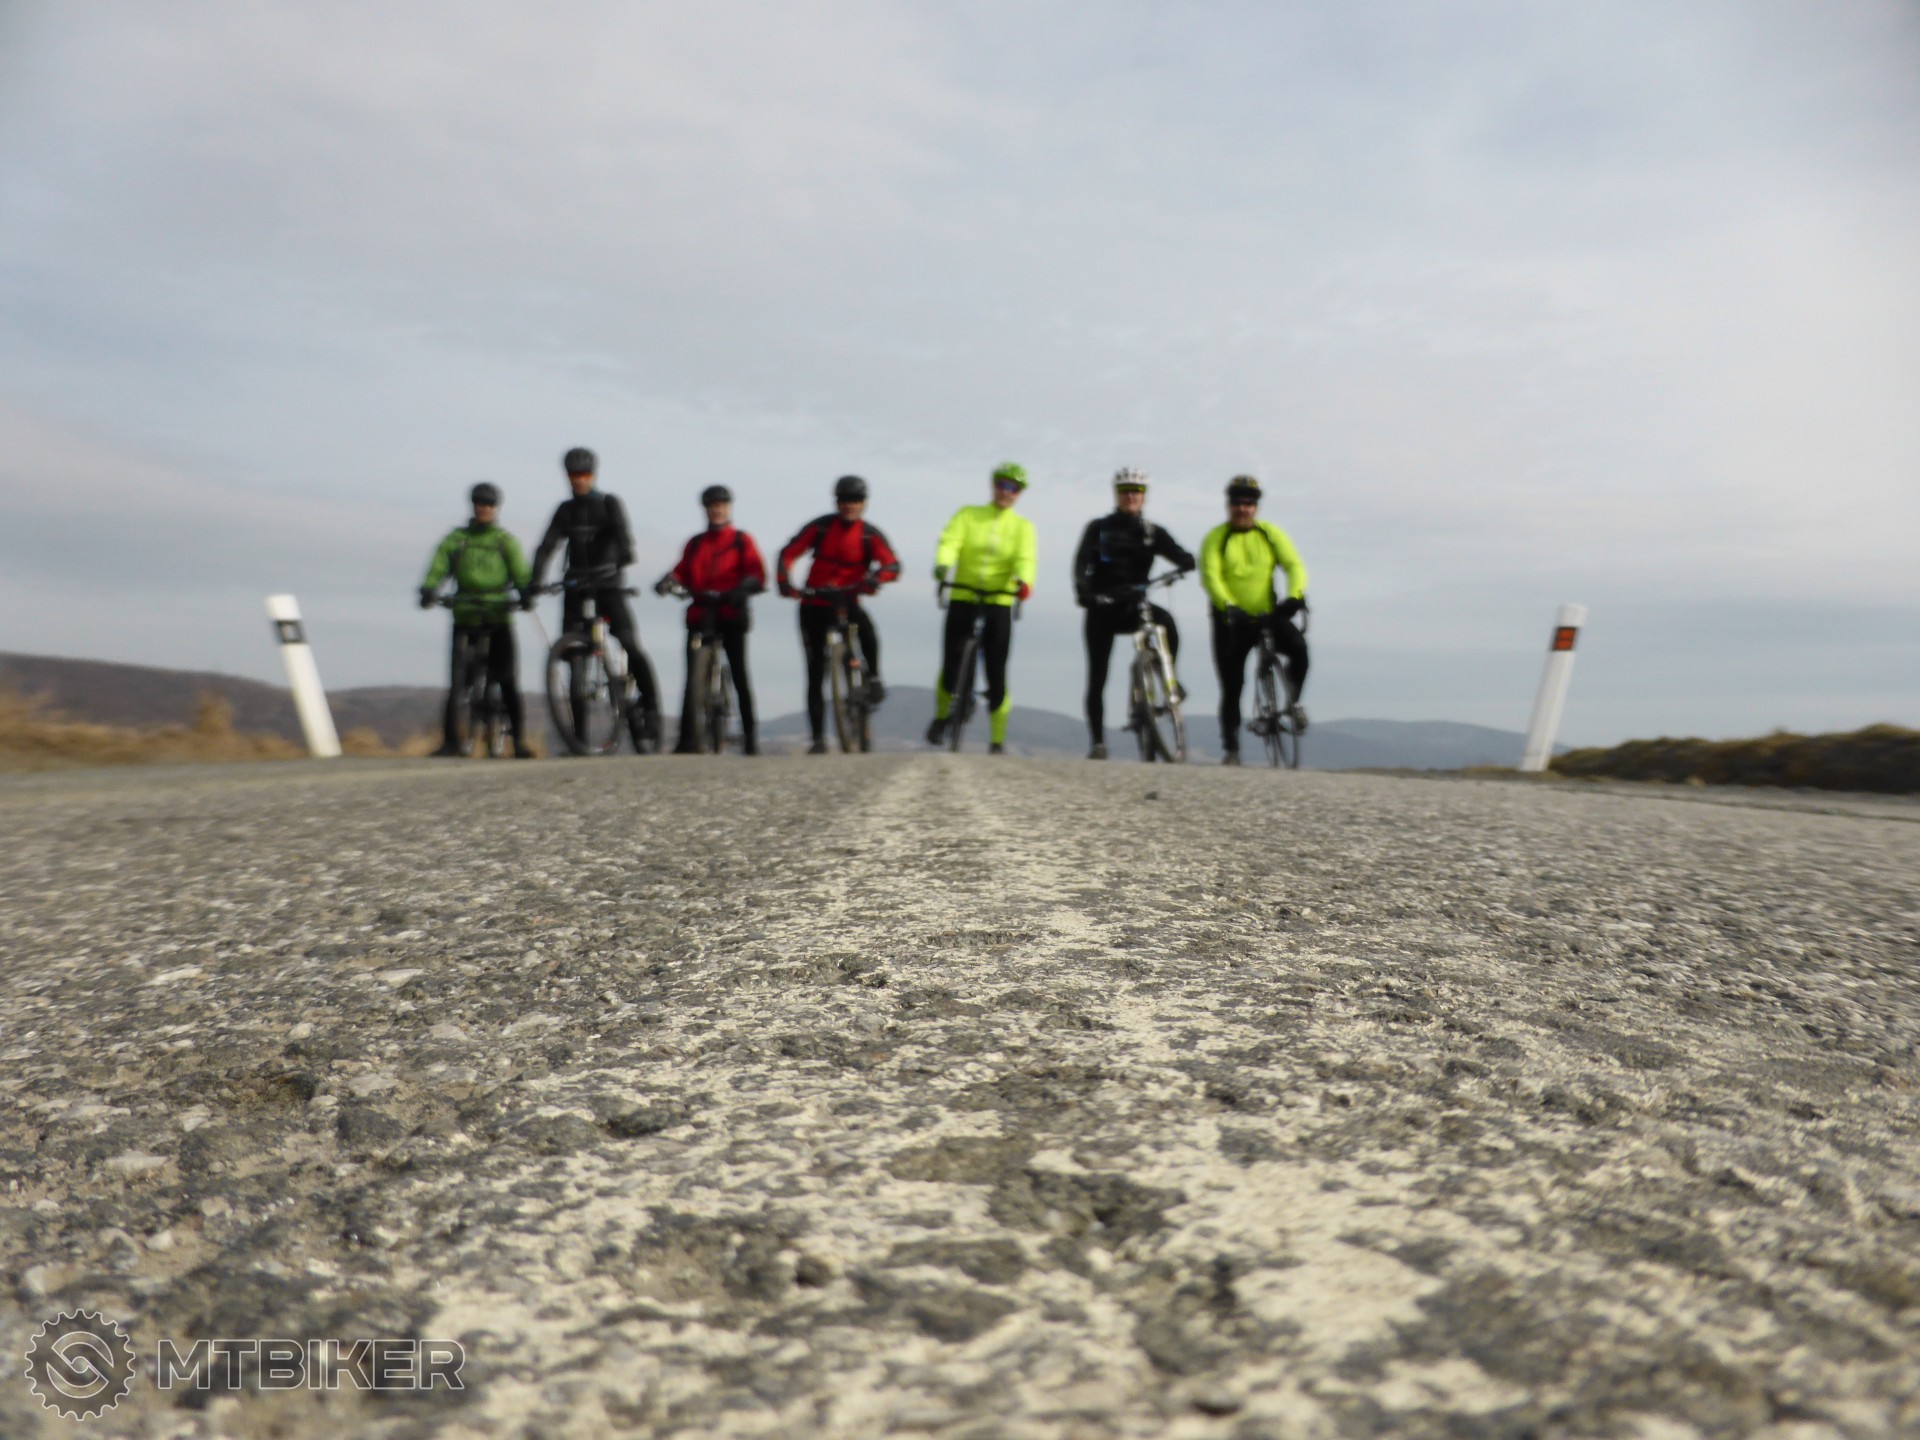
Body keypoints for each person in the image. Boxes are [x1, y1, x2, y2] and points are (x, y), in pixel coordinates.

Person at [528, 447, 660, 744]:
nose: (580, 480)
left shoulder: (609, 504)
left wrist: (623, 556)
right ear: (567, 476)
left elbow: (623, 537)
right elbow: (547, 546)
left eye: (585, 474)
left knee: (628, 642)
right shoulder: (565, 510)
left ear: (593, 475)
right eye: (574, 474)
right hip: (576, 586)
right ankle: (580, 738)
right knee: (572, 654)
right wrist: (535, 582)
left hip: (608, 584)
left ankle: (651, 707)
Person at [1073, 467, 1195, 760]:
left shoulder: (1151, 532)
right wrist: (1084, 591)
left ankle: (1169, 678)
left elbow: (1177, 553)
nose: (1131, 496)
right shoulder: (1098, 528)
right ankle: (1098, 742)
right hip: (1102, 607)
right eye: (1126, 490)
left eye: (1137, 491)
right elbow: (1081, 564)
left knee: (1167, 622)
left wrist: (1187, 560)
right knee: (1097, 677)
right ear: (1117, 494)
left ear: (1144, 496)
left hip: (1134, 605)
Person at [778, 475, 903, 754]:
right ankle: (818, 739)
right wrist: (785, 583)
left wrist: (876, 578)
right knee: (815, 671)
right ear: (837, 502)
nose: (850, 505)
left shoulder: (869, 535)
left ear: (863, 503)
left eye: (855, 500)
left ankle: (874, 677)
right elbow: (788, 553)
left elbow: (892, 565)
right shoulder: (821, 527)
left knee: (867, 630)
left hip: (848, 599)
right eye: (845, 500)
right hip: (814, 602)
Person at [925, 462, 1038, 756]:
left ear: (1020, 493)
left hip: (999, 601)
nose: (1006, 492)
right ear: (993, 485)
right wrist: (943, 564)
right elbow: (951, 540)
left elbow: (1025, 559)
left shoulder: (1022, 527)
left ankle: (997, 739)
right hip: (964, 595)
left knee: (996, 672)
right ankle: (941, 716)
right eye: (1002, 484)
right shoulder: (968, 514)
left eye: (1014, 488)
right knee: (951, 663)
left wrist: (1024, 581)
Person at [1199, 475, 1309, 765]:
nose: (1242, 508)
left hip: (1267, 615)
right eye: (1237, 503)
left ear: (1256, 507)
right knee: (1232, 685)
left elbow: (1294, 565)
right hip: (1230, 621)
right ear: (1229, 505)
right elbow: (1211, 576)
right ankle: (1232, 749)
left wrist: (1294, 595)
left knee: (1299, 649)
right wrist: (1227, 605)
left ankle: (1291, 703)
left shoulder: (1270, 534)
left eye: (1248, 503)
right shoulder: (1216, 538)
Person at [419, 482, 534, 757]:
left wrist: (526, 592)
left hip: (498, 616)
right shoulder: (458, 539)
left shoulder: (504, 542)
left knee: (507, 680)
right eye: (480, 503)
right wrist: (429, 589)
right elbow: (439, 565)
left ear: (496, 508)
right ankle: (451, 742)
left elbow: (520, 571)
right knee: (459, 682)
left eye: (489, 504)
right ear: (473, 506)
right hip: (466, 615)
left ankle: (518, 741)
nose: (484, 508)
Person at [657, 485, 767, 754]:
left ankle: (750, 738)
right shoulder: (695, 544)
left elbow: (756, 571)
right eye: (712, 506)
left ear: (729, 508)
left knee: (739, 674)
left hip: (731, 614)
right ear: (705, 510)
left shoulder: (741, 540)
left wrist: (746, 586)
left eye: (721, 505)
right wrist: (667, 581)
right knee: (692, 678)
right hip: (701, 615)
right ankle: (687, 740)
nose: (717, 510)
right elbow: (681, 570)